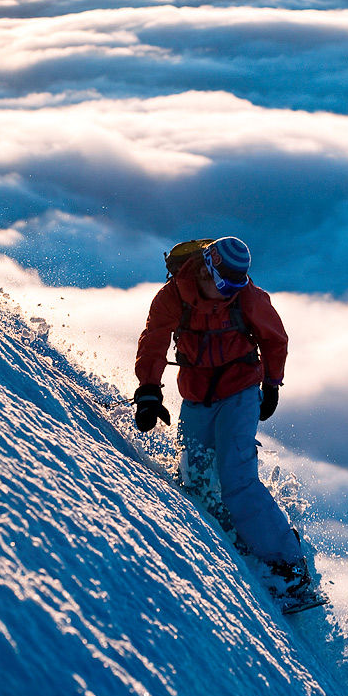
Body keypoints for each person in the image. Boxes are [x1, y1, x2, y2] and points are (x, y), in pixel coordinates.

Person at [133, 236, 310, 597]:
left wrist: (272, 385)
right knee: (194, 477)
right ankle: (234, 538)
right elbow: (153, 340)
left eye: (237, 285)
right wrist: (149, 391)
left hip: (240, 390)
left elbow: (275, 340)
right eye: (225, 284)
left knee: (236, 476)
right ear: (206, 269)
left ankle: (288, 564)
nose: (230, 292)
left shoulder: (247, 298)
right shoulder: (173, 297)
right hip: (197, 395)